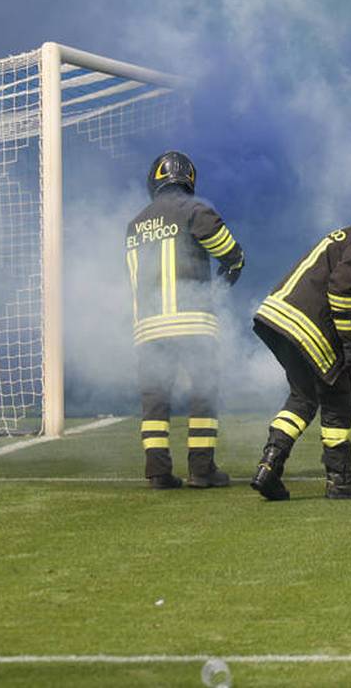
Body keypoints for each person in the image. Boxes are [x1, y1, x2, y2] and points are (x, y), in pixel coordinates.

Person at [248, 212, 351, 501]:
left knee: (303, 398)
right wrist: (350, 346)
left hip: (279, 318)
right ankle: (340, 479)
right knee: (339, 401)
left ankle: (269, 465)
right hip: (309, 323)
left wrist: (350, 365)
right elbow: (344, 288)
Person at [126, 151, 244, 489]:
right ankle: (202, 470)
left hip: (148, 328)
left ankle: (157, 471)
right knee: (203, 394)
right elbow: (228, 249)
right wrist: (235, 264)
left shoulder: (135, 224)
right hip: (193, 322)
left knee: (154, 400)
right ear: (188, 179)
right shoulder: (194, 210)